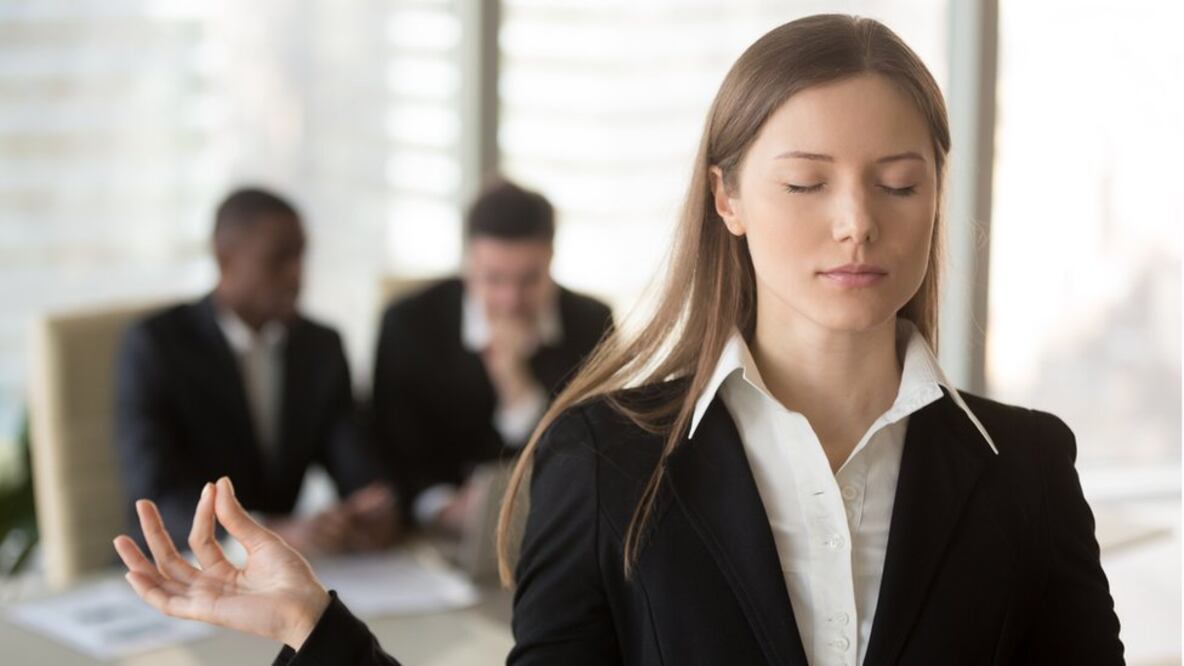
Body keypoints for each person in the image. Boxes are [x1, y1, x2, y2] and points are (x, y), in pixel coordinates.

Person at [113, 15, 1124, 665]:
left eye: (898, 183)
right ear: (726, 198)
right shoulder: (604, 460)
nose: (856, 222)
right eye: (805, 183)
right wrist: (310, 625)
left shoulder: (1026, 466)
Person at [115, 187, 398, 556]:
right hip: (183, 567)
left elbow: (355, 462)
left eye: (300, 256)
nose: (296, 275)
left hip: (289, 570)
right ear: (225, 258)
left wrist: (369, 509)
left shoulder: (319, 347)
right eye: (279, 259)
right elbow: (156, 497)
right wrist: (266, 533)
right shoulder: (156, 346)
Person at [371, 179, 613, 534]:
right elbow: (392, 443)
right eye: (494, 279)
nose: (511, 300)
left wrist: (515, 382)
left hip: (554, 527)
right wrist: (442, 507)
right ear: (468, 263)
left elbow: (589, 451)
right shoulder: (409, 323)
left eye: (529, 279)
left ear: (551, 258)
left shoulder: (592, 323)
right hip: (430, 531)